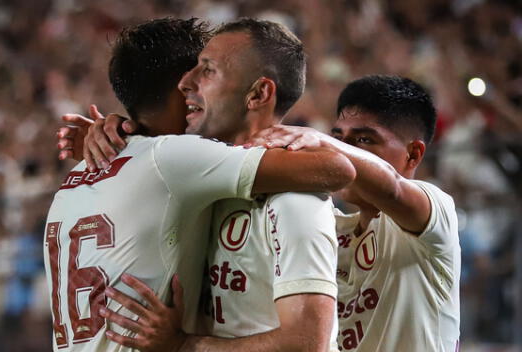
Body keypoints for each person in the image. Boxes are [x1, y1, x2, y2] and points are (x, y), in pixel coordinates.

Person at [82, 75, 462, 351]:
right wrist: (128, 135)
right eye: (339, 135)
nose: (341, 148)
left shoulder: (436, 216)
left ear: (413, 154)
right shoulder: (325, 222)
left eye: (363, 140)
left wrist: (321, 141)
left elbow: (392, 187)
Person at [45, 18, 354, 352]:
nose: (188, 84)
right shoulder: (181, 167)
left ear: (258, 92)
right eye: (193, 71)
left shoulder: (291, 199)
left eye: (206, 71)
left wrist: (184, 346)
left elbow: (307, 343)